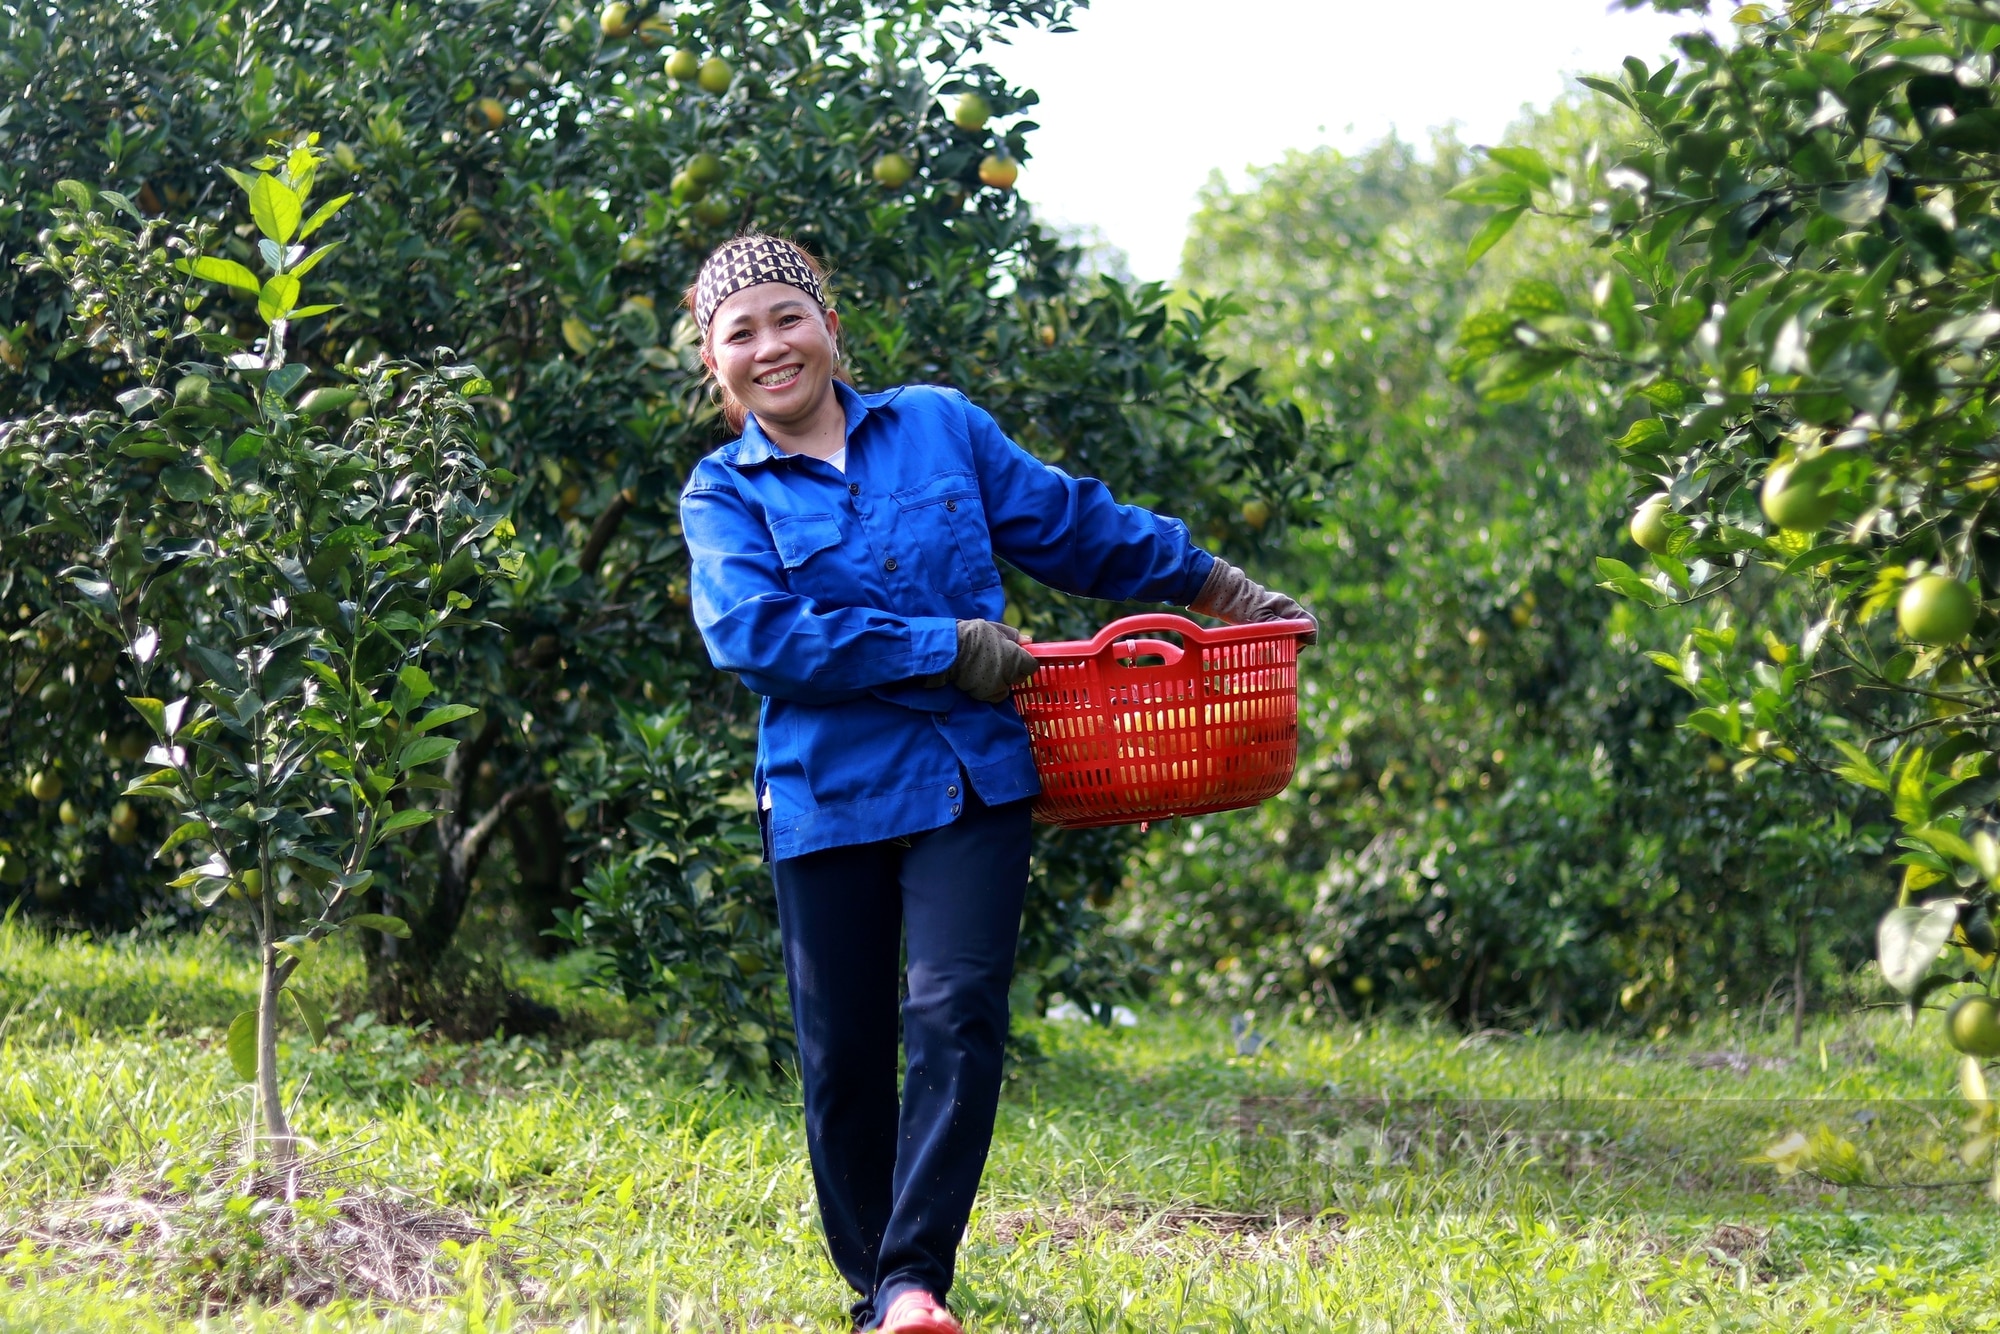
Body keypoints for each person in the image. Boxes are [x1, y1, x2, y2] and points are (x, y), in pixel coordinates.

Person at [678, 234, 1313, 1333]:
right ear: (713, 361)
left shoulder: (937, 426)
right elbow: (755, 632)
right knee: (839, 1056)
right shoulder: (722, 493)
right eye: (741, 332)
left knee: (955, 1008)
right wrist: (939, 645)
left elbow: (1070, 526)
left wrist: (1219, 584)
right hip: (825, 795)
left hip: (971, 775)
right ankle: (873, 1283)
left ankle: (914, 1278)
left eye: (788, 317)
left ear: (828, 322)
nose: (770, 345)